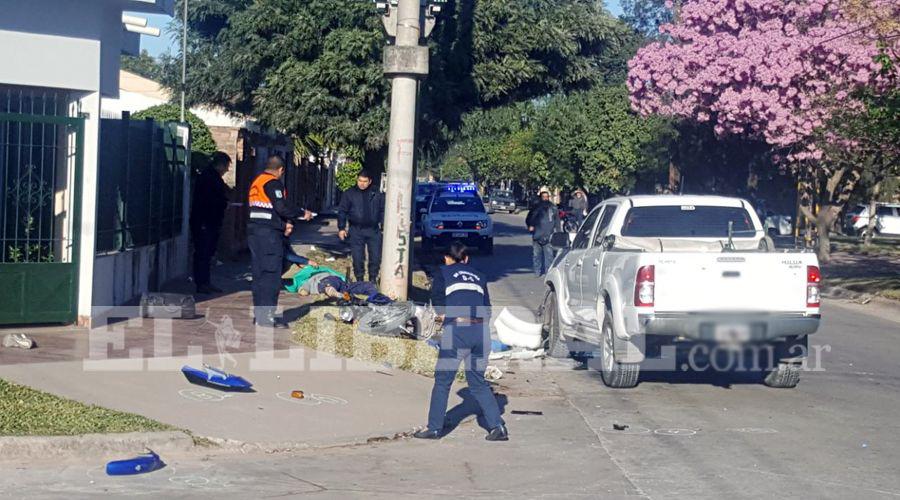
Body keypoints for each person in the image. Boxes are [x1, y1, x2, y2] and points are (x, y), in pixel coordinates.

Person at [414, 241, 508, 442]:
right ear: (466, 259)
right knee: (478, 383)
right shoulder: (480, 276)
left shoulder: (443, 273)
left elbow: (439, 307)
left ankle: (434, 428)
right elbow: (487, 309)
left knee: (443, 381)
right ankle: (498, 427)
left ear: (447, 258)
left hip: (457, 332)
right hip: (480, 333)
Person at [247, 154, 313, 328]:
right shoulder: (273, 183)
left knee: (259, 275)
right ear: (280, 170)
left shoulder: (257, 182)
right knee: (271, 275)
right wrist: (301, 213)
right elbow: (281, 207)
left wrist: (285, 223)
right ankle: (267, 317)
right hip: (268, 236)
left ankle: (260, 316)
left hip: (255, 233)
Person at [191, 151, 232, 294]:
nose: (227, 170)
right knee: (202, 252)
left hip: (211, 221)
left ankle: (206, 282)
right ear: (220, 165)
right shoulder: (208, 178)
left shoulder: (213, 178)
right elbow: (209, 200)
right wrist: (223, 204)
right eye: (226, 166)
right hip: (204, 221)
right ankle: (201, 283)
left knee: (208, 253)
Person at [337, 170, 385, 282]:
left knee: (375, 257)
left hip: (373, 230)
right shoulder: (349, 194)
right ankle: (359, 280)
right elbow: (342, 211)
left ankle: (372, 279)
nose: (362, 183)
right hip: (356, 230)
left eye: (365, 181)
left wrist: (383, 224)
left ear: (370, 182)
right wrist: (341, 228)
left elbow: (383, 210)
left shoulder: (377, 194)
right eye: (360, 180)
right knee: (358, 257)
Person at [526, 191, 560, 276]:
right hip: (537, 235)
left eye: (547, 197)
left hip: (549, 235)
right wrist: (530, 226)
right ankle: (537, 272)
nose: (545, 198)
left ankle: (548, 273)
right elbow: (529, 218)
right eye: (543, 197)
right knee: (536, 255)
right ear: (541, 198)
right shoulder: (536, 207)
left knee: (549, 256)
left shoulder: (553, 208)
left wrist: (558, 232)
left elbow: (557, 221)